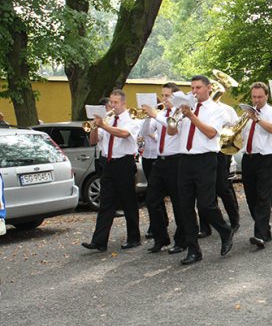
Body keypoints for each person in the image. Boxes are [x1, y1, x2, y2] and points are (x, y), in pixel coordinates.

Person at [168, 75, 234, 265]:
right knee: (185, 206)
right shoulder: (186, 109)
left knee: (205, 205)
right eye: (192, 88)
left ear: (209, 88)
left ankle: (225, 229)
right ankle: (193, 250)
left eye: (198, 88)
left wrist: (191, 116)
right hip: (185, 160)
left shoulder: (216, 110)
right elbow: (173, 132)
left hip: (205, 159)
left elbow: (211, 132)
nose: (194, 91)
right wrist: (175, 117)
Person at [82, 89, 141, 252]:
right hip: (107, 163)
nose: (112, 106)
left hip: (124, 163)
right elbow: (93, 141)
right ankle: (99, 241)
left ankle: (134, 237)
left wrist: (104, 125)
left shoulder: (131, 119)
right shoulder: (107, 120)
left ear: (123, 103)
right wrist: (94, 126)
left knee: (128, 201)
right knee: (105, 202)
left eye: (115, 102)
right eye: (111, 103)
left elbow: (123, 134)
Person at [141, 83, 186, 254]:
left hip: (176, 161)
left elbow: (173, 129)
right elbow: (145, 132)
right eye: (163, 95)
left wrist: (156, 115)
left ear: (175, 97)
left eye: (167, 96)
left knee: (179, 203)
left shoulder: (181, 113)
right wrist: (148, 117)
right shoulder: (160, 114)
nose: (164, 99)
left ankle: (181, 241)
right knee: (152, 200)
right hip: (159, 161)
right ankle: (161, 238)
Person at [240, 82, 272, 249]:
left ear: (266, 96)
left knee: (263, 197)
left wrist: (258, 119)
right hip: (247, 158)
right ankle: (265, 230)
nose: (256, 100)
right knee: (251, 198)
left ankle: (259, 235)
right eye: (254, 97)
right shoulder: (246, 113)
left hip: (265, 157)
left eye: (260, 97)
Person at [198, 92, 240, 238]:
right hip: (204, 152)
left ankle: (234, 220)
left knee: (223, 187)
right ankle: (205, 227)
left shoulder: (224, 109)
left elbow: (234, 126)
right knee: (203, 190)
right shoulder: (196, 109)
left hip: (221, 151)